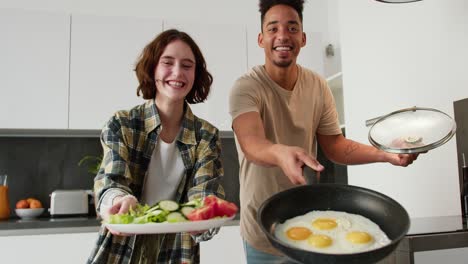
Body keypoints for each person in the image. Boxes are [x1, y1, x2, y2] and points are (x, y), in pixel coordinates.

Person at [228, 0, 420, 263]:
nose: (283, 35)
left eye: (292, 28)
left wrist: (386, 154)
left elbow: (335, 146)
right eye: (273, 28)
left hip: (312, 230)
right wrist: (282, 153)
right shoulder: (246, 87)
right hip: (262, 231)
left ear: (303, 38)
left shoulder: (317, 85)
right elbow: (251, 143)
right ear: (261, 39)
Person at [87, 29, 225, 264]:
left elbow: (205, 194)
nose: (178, 72)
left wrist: (205, 216)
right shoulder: (123, 124)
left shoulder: (206, 136)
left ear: (196, 74)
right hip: (120, 249)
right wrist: (119, 202)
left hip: (177, 249)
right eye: (167, 62)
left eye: (187, 65)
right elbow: (112, 179)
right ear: (153, 68)